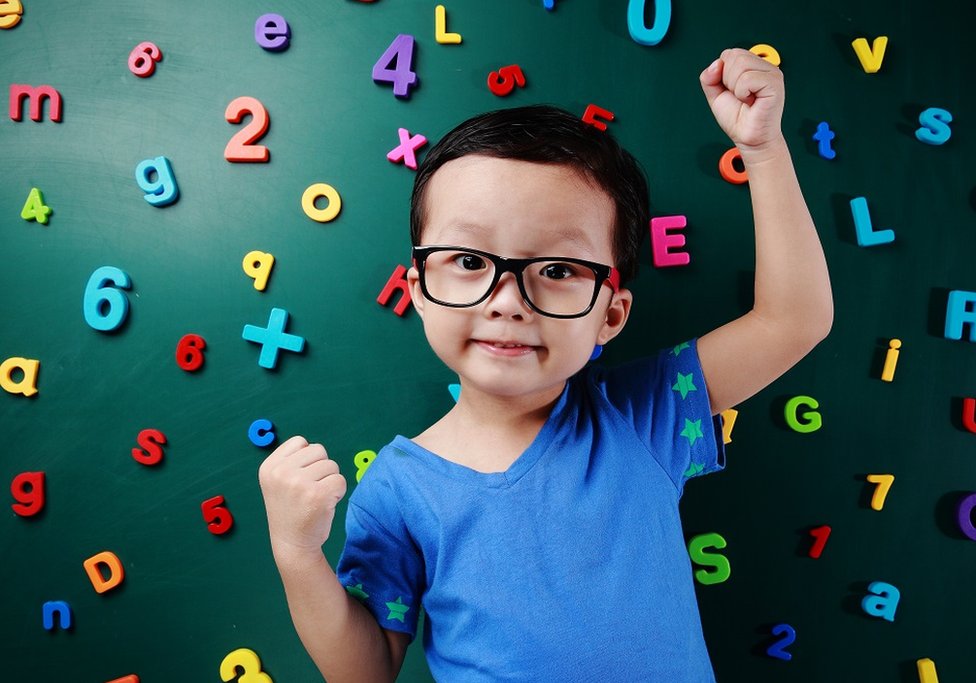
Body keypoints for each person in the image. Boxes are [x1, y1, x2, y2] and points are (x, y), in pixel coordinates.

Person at [258, 48, 833, 682]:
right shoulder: (398, 490)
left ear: (610, 315)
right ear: (419, 289)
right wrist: (296, 553)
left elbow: (793, 321)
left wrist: (765, 150)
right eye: (470, 261)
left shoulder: (643, 414)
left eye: (557, 271)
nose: (507, 301)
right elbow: (364, 673)